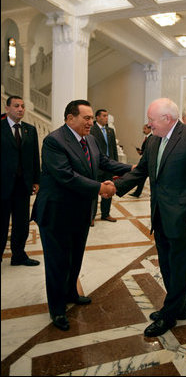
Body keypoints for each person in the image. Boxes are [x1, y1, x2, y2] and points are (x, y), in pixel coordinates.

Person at [115, 98, 186, 337]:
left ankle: (168, 316)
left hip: (185, 217)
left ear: (167, 119)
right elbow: (140, 171)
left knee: (180, 267)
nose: (148, 124)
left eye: (151, 120)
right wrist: (113, 187)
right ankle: (178, 309)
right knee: (168, 265)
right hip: (160, 214)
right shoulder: (152, 141)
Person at [31, 99, 132, 331]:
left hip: (81, 211)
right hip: (57, 212)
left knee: (75, 256)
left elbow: (104, 162)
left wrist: (133, 169)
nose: (91, 122)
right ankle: (57, 310)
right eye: (86, 118)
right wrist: (100, 188)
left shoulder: (91, 140)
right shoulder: (54, 141)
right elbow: (66, 176)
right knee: (57, 262)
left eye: (90, 118)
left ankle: (70, 294)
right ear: (70, 118)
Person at [1, 96, 40, 266]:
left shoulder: (30, 130)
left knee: (21, 224)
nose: (20, 109)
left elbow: (34, 158)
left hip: (23, 186)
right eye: (16, 106)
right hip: (2, 186)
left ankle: (18, 256)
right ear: (7, 108)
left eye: (23, 106)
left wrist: (36, 180)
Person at [90, 109, 118, 223]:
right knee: (94, 192)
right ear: (97, 117)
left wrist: (115, 165)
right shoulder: (91, 130)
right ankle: (91, 217)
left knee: (109, 190)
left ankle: (105, 214)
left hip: (108, 167)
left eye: (107, 116)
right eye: (104, 116)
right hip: (96, 166)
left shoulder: (110, 131)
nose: (106, 118)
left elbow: (113, 149)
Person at [130, 124, 152, 198]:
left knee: (147, 178)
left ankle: (138, 192)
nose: (143, 130)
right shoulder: (147, 138)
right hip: (145, 161)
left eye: (145, 129)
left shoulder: (151, 138)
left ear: (149, 129)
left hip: (148, 162)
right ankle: (137, 192)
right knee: (142, 178)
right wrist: (140, 152)